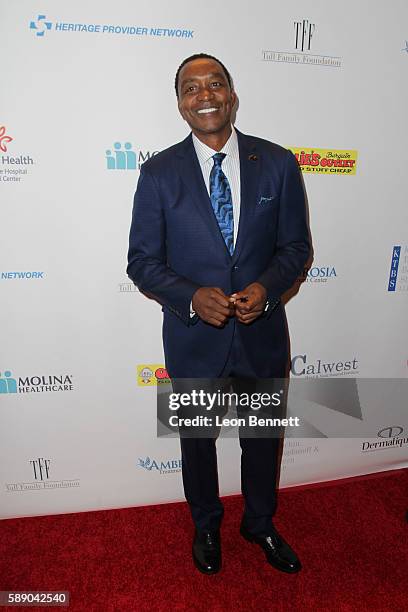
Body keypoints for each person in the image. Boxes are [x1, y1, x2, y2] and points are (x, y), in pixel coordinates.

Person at [127, 53, 310, 574]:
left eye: (215, 84)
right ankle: (206, 524)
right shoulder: (158, 173)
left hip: (264, 334)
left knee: (261, 438)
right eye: (191, 87)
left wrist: (267, 290)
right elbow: (141, 260)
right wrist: (189, 297)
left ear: (232, 95)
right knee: (197, 441)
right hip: (193, 340)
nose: (204, 95)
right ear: (181, 104)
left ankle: (260, 523)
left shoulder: (278, 162)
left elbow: (296, 248)